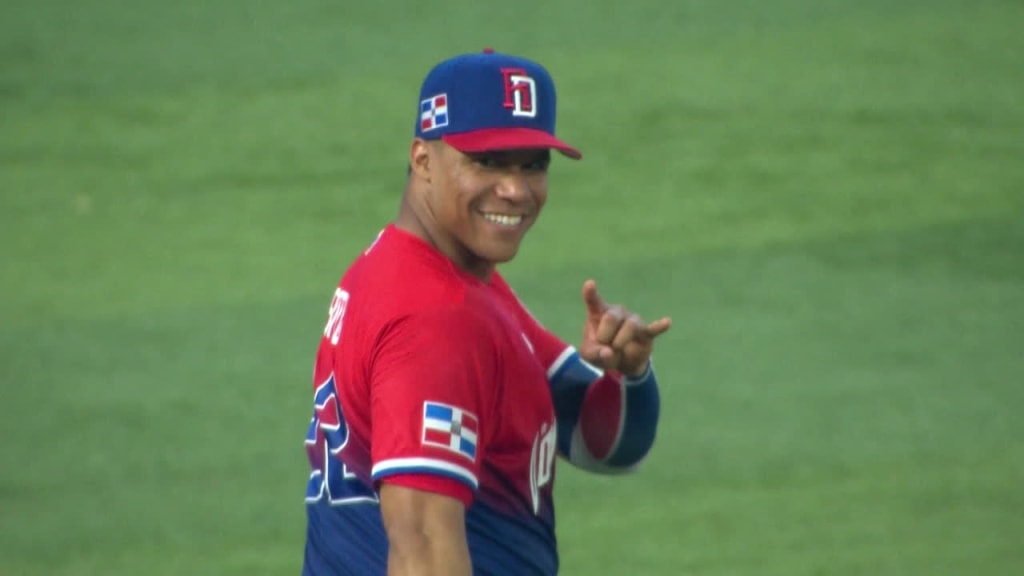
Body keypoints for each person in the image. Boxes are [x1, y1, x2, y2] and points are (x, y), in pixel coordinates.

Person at [301, 48, 672, 576]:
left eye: (533, 164)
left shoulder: (441, 279)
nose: (516, 189)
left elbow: (601, 443)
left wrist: (627, 374)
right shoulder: (436, 318)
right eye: (487, 162)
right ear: (423, 160)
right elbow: (424, 549)